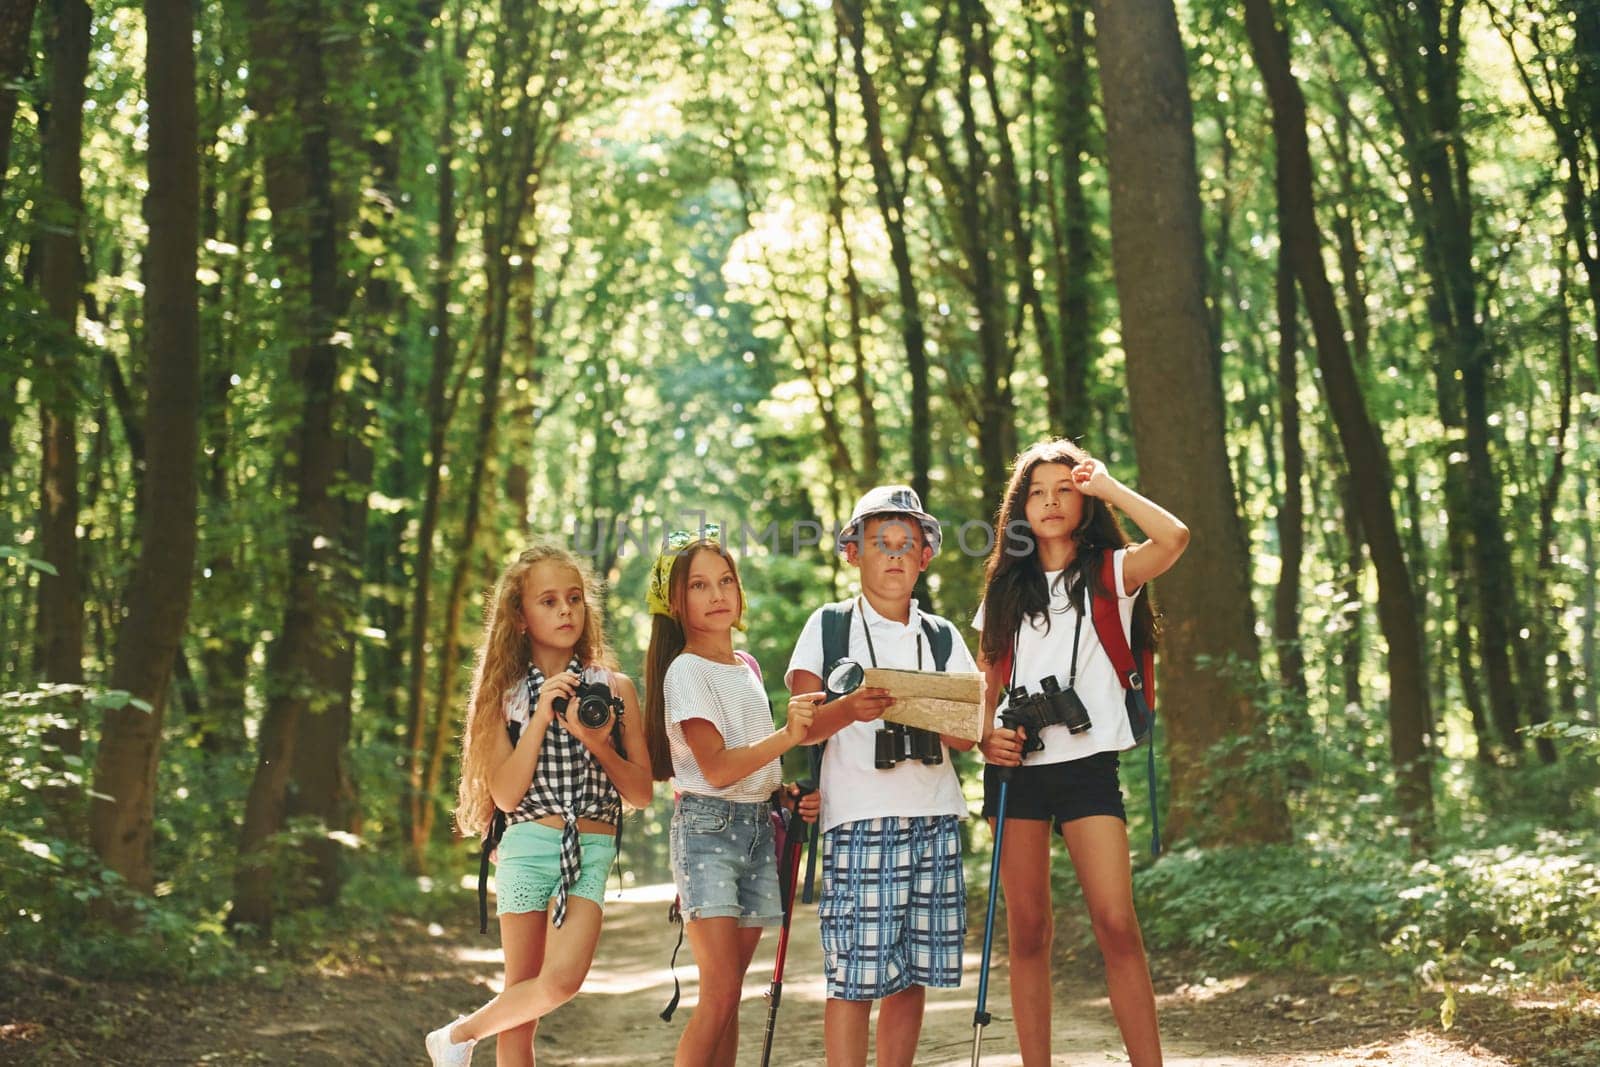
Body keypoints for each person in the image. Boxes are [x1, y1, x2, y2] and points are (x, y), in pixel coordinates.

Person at [976, 439, 1189, 1067]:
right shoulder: (1004, 591)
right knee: (1029, 934)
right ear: (1020, 509)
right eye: (1036, 492)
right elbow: (985, 691)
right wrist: (985, 737)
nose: (1049, 501)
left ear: (1083, 499)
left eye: (1064, 489)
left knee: (1117, 924)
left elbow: (1174, 538)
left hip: (1089, 769)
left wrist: (1112, 487)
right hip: (1015, 770)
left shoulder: (1109, 572)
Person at [425, 542, 654, 1067]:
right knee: (520, 1005)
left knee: (562, 982)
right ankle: (461, 1039)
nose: (566, 610)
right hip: (528, 846)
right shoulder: (502, 695)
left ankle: (457, 1035)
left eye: (574, 599)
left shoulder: (614, 690)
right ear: (521, 617)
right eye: (548, 601)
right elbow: (506, 794)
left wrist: (596, 740)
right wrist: (540, 717)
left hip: (590, 851)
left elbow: (640, 793)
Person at [785, 485, 978, 1067]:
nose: (894, 556)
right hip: (859, 818)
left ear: (925, 557)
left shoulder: (942, 635)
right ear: (853, 554)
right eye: (880, 544)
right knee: (854, 977)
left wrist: (919, 710)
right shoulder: (829, 625)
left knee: (913, 971)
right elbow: (802, 726)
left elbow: (967, 733)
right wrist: (853, 708)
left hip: (935, 814)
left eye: (906, 545)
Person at [642, 526, 819, 1067]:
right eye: (699, 585)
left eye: (725, 581)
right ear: (675, 601)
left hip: (757, 830)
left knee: (730, 999)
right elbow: (716, 769)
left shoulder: (746, 669)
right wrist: (788, 737)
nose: (716, 594)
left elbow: (750, 761)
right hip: (708, 834)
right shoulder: (686, 671)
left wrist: (783, 794)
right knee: (718, 995)